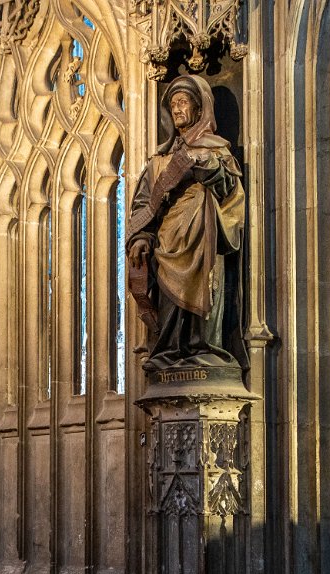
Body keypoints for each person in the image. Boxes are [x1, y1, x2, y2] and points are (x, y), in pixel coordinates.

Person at [127, 74, 246, 372]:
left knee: (206, 305)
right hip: (168, 244)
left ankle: (203, 349)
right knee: (169, 307)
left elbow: (230, 192)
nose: (178, 109)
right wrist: (140, 238)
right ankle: (169, 352)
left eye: (184, 102)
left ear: (199, 108)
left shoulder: (217, 152)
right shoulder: (160, 161)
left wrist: (204, 166)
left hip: (205, 240)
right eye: (173, 104)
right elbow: (143, 204)